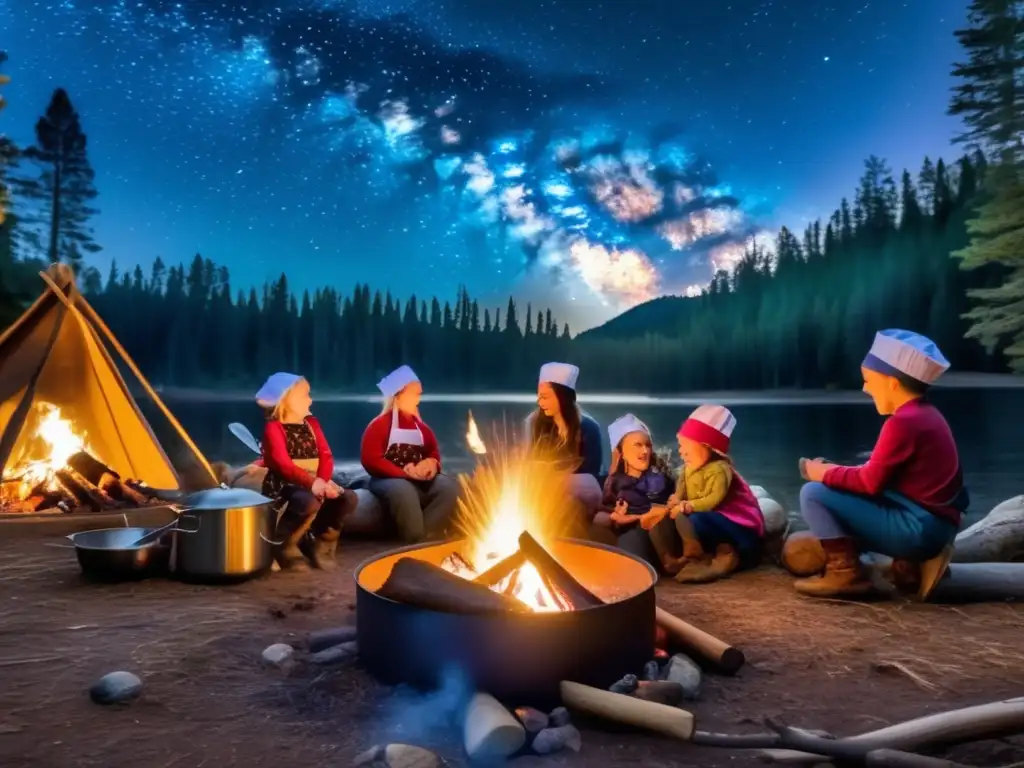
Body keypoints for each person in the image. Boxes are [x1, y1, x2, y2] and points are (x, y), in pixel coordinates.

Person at [795, 329, 966, 600]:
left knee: (812, 494)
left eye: (868, 380)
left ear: (893, 383)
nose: (865, 388)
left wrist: (822, 474)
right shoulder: (926, 415)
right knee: (834, 483)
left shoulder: (902, 423)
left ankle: (845, 573)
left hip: (920, 531)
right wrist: (833, 471)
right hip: (936, 524)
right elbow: (881, 477)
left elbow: (869, 482)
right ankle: (907, 565)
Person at [646, 405, 765, 583]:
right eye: (680, 445)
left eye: (687, 445)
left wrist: (687, 505)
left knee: (695, 518)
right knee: (672, 517)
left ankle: (705, 556)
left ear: (708, 447)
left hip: (741, 531)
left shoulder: (719, 470)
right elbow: (682, 487)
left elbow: (712, 500)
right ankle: (677, 558)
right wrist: (677, 498)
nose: (681, 450)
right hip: (713, 524)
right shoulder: (689, 468)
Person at [256, 372, 357, 572]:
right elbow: (283, 465)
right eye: (304, 395)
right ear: (285, 399)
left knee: (348, 498)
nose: (310, 400)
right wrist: (313, 484)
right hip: (285, 485)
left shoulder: (311, 424)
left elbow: (326, 455)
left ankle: (322, 544)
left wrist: (323, 481)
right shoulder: (274, 429)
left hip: (314, 481)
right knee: (308, 501)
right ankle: (284, 545)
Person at [360, 365, 459, 543]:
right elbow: (370, 459)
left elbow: (433, 452)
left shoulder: (421, 427)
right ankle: (412, 538)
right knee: (403, 490)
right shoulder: (379, 425)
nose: (419, 399)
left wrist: (430, 465)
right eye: (415, 393)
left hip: (417, 477)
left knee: (448, 486)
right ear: (398, 395)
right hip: (387, 479)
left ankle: (427, 537)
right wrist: (404, 474)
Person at [525, 362, 604, 523]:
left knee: (569, 506)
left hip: (580, 498)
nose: (540, 402)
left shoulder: (589, 428)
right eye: (539, 397)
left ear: (563, 397)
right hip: (543, 493)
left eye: (545, 397)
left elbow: (591, 477)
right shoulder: (534, 424)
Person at [592, 413, 673, 568]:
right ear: (621, 453)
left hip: (660, 531)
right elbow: (606, 511)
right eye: (638, 445)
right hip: (631, 530)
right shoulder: (614, 482)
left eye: (647, 445)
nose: (645, 451)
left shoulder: (661, 478)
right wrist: (615, 516)